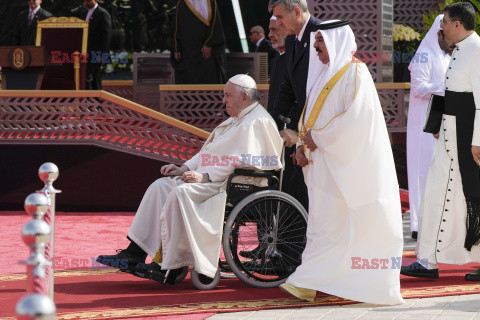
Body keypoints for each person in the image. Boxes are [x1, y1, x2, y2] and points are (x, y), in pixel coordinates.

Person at [97, 74, 283, 282]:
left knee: (180, 192)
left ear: (245, 97)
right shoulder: (237, 118)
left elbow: (249, 163)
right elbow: (208, 153)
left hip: (234, 185)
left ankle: (171, 266)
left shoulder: (258, 121)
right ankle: (134, 252)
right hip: (215, 180)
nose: (224, 100)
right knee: (160, 186)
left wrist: (205, 177)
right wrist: (182, 168)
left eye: (228, 95)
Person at [278, 21, 405, 305]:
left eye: (321, 42)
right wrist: (302, 145)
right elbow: (309, 119)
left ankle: (309, 281)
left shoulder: (356, 73)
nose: (317, 48)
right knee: (324, 226)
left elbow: (356, 120)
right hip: (322, 164)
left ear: (335, 42)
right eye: (316, 43)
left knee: (337, 226)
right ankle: (313, 281)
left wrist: (318, 138)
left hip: (346, 167)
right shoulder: (324, 73)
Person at [401, 2, 480, 282]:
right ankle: (427, 262)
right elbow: (453, 95)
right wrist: (441, 125)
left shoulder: (477, 49)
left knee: (474, 198)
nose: (441, 27)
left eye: (444, 22)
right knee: (434, 196)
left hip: (469, 140)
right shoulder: (457, 50)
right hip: (449, 136)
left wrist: (477, 141)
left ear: (458, 24)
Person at [267, 0, 321, 212]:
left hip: (316, 131)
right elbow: (287, 90)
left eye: (280, 17)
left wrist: (299, 133)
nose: (278, 24)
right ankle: (291, 246)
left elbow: (321, 94)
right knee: (292, 189)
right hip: (296, 131)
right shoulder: (291, 41)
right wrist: (270, 127)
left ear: (297, 12)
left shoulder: (321, 34)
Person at [406, 15, 451, 240]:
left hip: (438, 123)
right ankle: (419, 224)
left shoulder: (443, 56)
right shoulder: (424, 55)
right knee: (422, 174)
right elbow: (418, 89)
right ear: (438, 33)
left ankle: (435, 223)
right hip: (422, 126)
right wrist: (448, 85)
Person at [171, 0, 226, 84]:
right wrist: (176, 48)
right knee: (189, 78)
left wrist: (209, 43)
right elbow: (176, 26)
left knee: (209, 77)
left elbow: (216, 24)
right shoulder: (182, 2)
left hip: (205, 50)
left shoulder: (210, 2)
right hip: (187, 50)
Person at [78, 0, 112, 90]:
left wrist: (102, 54)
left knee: (88, 75)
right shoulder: (83, 13)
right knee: (95, 76)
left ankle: (88, 99)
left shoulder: (102, 13)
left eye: (89, 1)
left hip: (97, 51)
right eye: (85, 1)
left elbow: (106, 35)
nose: (86, 3)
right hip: (85, 51)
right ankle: (96, 99)